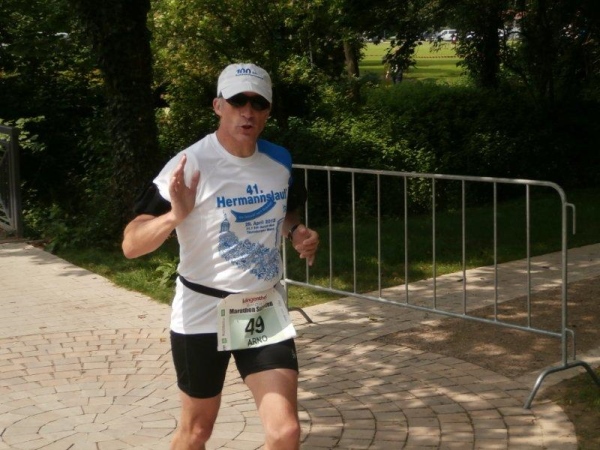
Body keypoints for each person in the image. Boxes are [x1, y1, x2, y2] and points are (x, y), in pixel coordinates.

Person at [122, 63, 319, 450]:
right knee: (197, 431)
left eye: (258, 103)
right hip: (202, 311)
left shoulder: (279, 160)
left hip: (261, 308)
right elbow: (131, 244)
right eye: (237, 101)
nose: (248, 112)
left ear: (268, 111)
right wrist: (175, 216)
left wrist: (297, 231)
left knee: (285, 432)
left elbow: (285, 210)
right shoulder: (189, 164)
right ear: (218, 106)